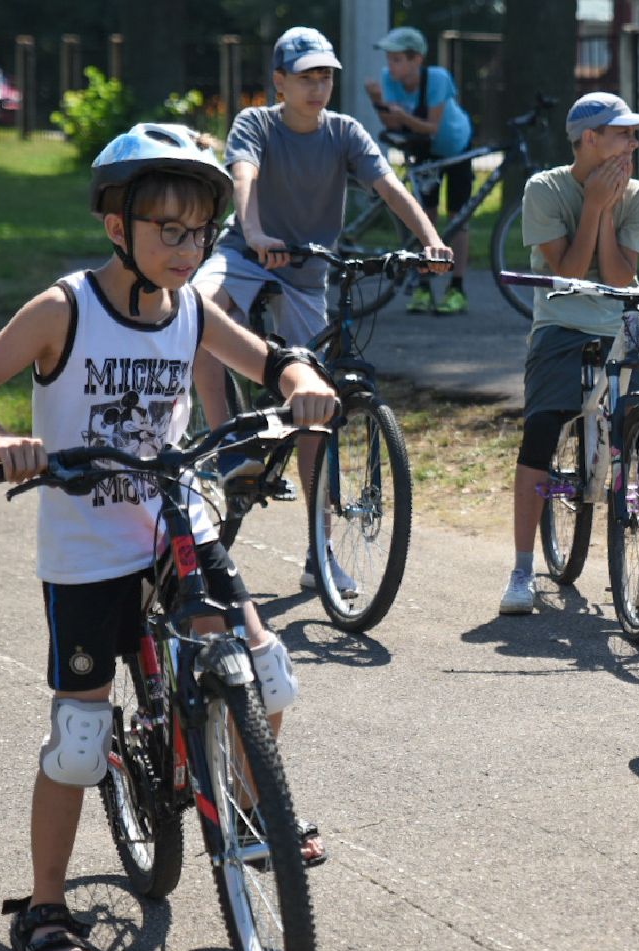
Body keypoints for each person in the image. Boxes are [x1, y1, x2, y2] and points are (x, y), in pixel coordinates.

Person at [0, 123, 340, 951]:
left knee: (267, 671)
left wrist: (301, 384)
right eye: (167, 230)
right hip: (85, 547)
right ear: (118, 225)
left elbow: (270, 359)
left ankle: (250, 803)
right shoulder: (62, 309)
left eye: (198, 232)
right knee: (79, 738)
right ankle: (44, 904)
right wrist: (2, 443)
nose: (186, 250)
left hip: (177, 520)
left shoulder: (189, 309)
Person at [192, 25, 452, 594]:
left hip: (308, 273)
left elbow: (388, 186)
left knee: (315, 404)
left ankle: (319, 549)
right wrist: (255, 231)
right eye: (306, 76)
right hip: (247, 255)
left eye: (326, 76)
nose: (318, 86)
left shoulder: (344, 132)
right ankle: (230, 449)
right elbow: (244, 177)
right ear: (280, 81)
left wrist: (430, 240)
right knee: (197, 316)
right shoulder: (256, 123)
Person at [500, 91, 639, 617]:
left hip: (623, 321)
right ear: (589, 139)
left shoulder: (638, 194)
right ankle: (521, 569)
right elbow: (565, 273)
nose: (632, 144)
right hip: (562, 323)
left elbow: (617, 277)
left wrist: (608, 210)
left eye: (635, 134)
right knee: (541, 428)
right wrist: (591, 205)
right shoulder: (544, 188)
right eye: (622, 133)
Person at [365, 26, 475, 315]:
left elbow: (432, 127)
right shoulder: (389, 79)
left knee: (457, 217)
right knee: (426, 215)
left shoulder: (437, 79)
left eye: (398, 59)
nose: (390, 66)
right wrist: (378, 102)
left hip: (456, 146)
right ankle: (424, 287)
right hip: (425, 149)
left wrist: (402, 115)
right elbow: (393, 126)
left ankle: (457, 287)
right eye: (389, 59)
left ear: (417, 60)